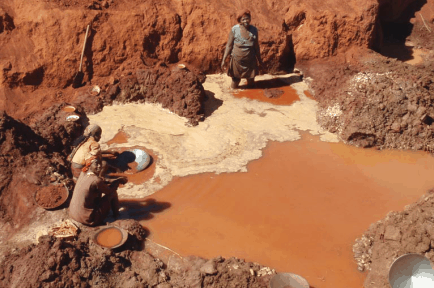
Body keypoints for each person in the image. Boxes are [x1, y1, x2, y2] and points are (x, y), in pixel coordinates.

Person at [69, 157, 120, 226]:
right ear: (89, 165)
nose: (99, 166)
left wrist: (108, 181)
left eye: (100, 164)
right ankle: (117, 216)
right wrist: (116, 183)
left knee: (96, 193)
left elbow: (98, 183)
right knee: (113, 193)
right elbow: (109, 191)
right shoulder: (96, 180)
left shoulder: (83, 173)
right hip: (88, 219)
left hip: (73, 214)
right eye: (96, 164)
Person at [221, 9, 264, 89]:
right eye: (243, 19)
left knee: (251, 82)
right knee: (235, 82)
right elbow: (229, 46)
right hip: (237, 61)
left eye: (247, 18)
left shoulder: (254, 30)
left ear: (250, 19)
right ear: (240, 21)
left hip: (250, 61)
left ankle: (250, 98)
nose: (246, 21)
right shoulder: (234, 29)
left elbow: (256, 46)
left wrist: (260, 60)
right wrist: (224, 59)